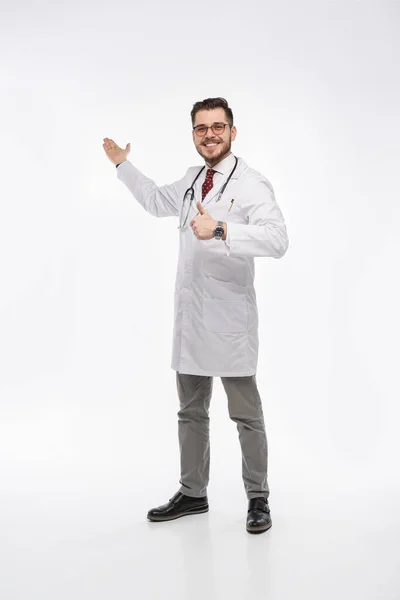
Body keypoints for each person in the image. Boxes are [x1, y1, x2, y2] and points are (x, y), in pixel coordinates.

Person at [103, 97, 289, 534]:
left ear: (232, 132)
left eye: (218, 126)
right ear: (193, 134)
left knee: (246, 414)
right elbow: (152, 200)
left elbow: (278, 239)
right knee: (190, 411)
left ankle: (258, 498)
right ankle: (192, 493)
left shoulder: (251, 184)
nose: (210, 134)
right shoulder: (192, 180)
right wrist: (121, 165)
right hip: (191, 318)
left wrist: (222, 228)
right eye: (201, 128)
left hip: (230, 323)